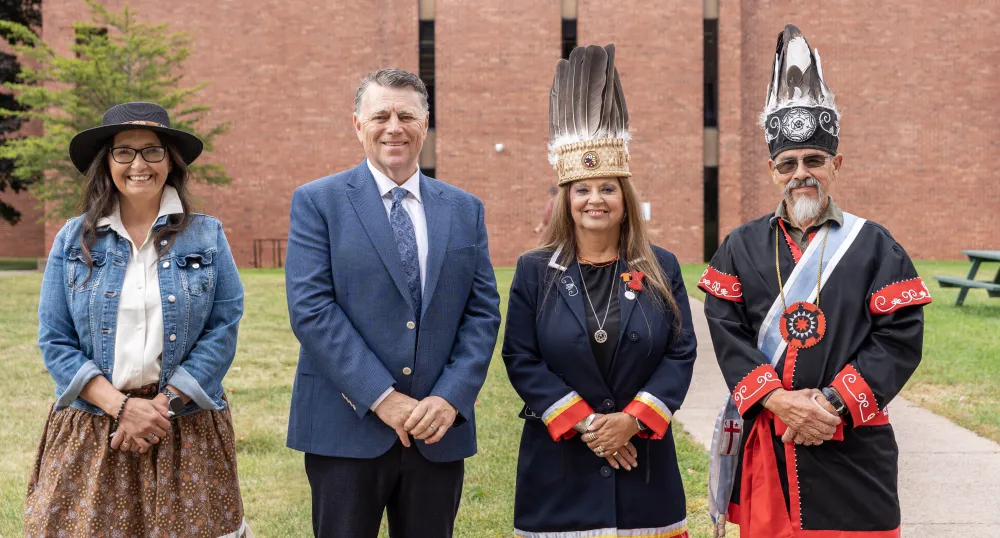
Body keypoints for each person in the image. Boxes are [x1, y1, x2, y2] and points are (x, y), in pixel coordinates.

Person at [700, 25, 931, 538]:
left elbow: (899, 339)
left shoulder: (876, 245)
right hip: (772, 438)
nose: (801, 173)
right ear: (772, 170)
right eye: (788, 163)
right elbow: (727, 331)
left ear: (836, 164)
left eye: (813, 161)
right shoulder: (739, 246)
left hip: (851, 439)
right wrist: (778, 401)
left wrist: (830, 404)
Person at [284, 68, 501, 538]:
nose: (394, 127)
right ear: (358, 125)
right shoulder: (317, 202)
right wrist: (382, 398)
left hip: (437, 431)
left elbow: (482, 312)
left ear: (426, 123)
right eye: (380, 115)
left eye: (406, 115)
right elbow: (311, 309)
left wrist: (450, 397)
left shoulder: (465, 209)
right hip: (346, 429)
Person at [502, 44, 697, 538]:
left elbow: (681, 352)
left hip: (644, 466)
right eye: (583, 189)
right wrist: (589, 425)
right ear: (567, 200)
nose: (595, 199)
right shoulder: (534, 271)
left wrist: (633, 420)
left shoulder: (661, 267)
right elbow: (521, 357)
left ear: (624, 198)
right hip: (560, 467)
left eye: (607, 188)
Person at [26, 102, 247, 537]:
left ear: (170, 162)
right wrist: (122, 408)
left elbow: (222, 329)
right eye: (123, 152)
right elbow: (55, 339)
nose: (138, 164)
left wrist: (159, 409)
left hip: (183, 425)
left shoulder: (207, 235)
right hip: (94, 426)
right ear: (106, 162)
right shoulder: (73, 239)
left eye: (152, 151)